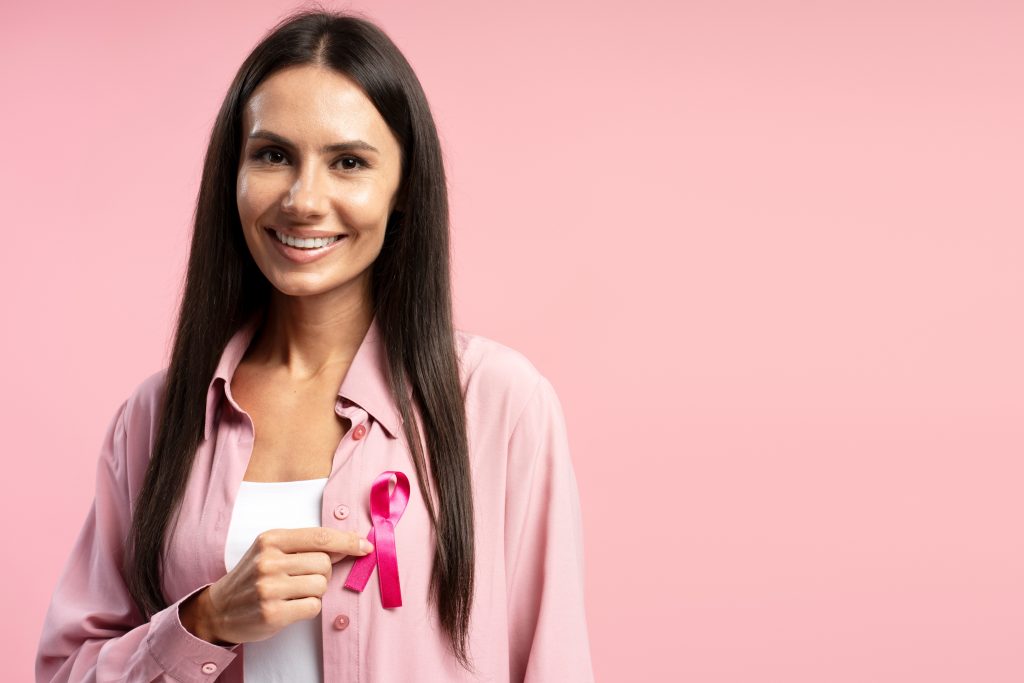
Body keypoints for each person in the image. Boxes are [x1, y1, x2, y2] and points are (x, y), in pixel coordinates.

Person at [35, 8, 594, 683]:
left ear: (402, 189)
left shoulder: (501, 404)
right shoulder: (155, 418)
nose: (304, 199)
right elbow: (65, 671)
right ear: (232, 174)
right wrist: (204, 620)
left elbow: (555, 662)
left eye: (349, 162)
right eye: (272, 155)